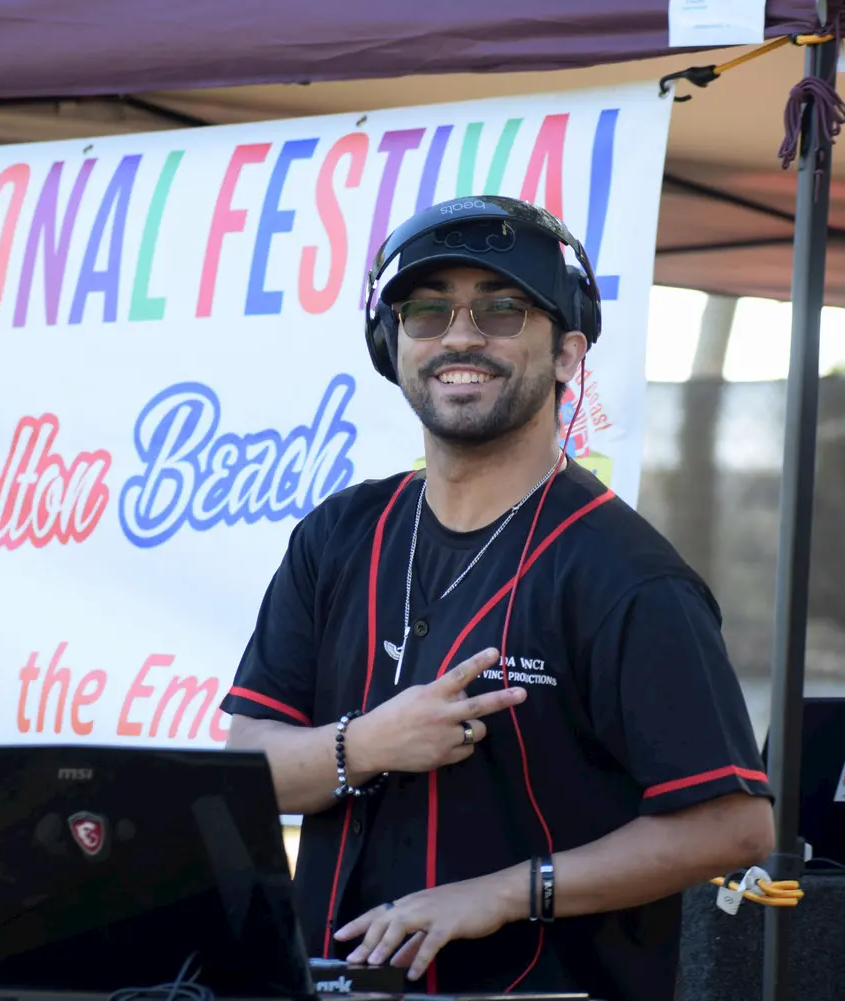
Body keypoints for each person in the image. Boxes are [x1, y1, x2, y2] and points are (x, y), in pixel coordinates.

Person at [217, 195, 775, 1001]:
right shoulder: (337, 535)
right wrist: (368, 742)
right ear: (392, 345)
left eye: (503, 310)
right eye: (427, 312)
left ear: (567, 354)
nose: (460, 335)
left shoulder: (628, 575)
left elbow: (733, 825)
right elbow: (249, 766)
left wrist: (506, 890)